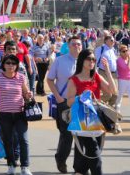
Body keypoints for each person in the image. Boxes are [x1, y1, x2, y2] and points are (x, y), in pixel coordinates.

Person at [64, 49, 117, 175]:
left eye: (93, 59)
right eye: (89, 59)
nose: (92, 62)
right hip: (82, 120)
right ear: (82, 60)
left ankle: (79, 171)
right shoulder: (74, 80)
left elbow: (112, 91)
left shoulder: (96, 76)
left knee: (89, 154)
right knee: (94, 153)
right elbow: (69, 102)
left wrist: (108, 70)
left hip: (97, 119)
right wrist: (81, 97)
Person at [0, 54, 33, 175]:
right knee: (8, 141)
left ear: (17, 65)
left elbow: (25, 93)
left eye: (13, 63)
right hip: (4, 114)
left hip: (20, 114)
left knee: (23, 140)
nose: (10, 65)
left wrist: (28, 95)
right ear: (3, 64)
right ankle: (11, 165)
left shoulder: (21, 77)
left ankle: (25, 166)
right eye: (8, 63)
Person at [46, 35, 82, 174]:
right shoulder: (60, 60)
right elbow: (49, 80)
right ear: (68, 45)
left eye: (79, 44)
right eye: (74, 44)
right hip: (64, 103)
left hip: (80, 104)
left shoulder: (86, 62)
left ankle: (78, 168)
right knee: (66, 135)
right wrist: (58, 97)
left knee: (80, 135)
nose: (77, 46)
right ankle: (61, 159)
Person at [94, 35, 119, 109]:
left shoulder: (113, 50)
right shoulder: (100, 49)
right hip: (103, 73)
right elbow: (95, 61)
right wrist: (95, 72)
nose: (113, 41)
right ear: (106, 41)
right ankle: (94, 103)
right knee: (108, 95)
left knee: (115, 95)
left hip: (113, 74)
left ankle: (108, 109)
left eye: (113, 40)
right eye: (111, 40)